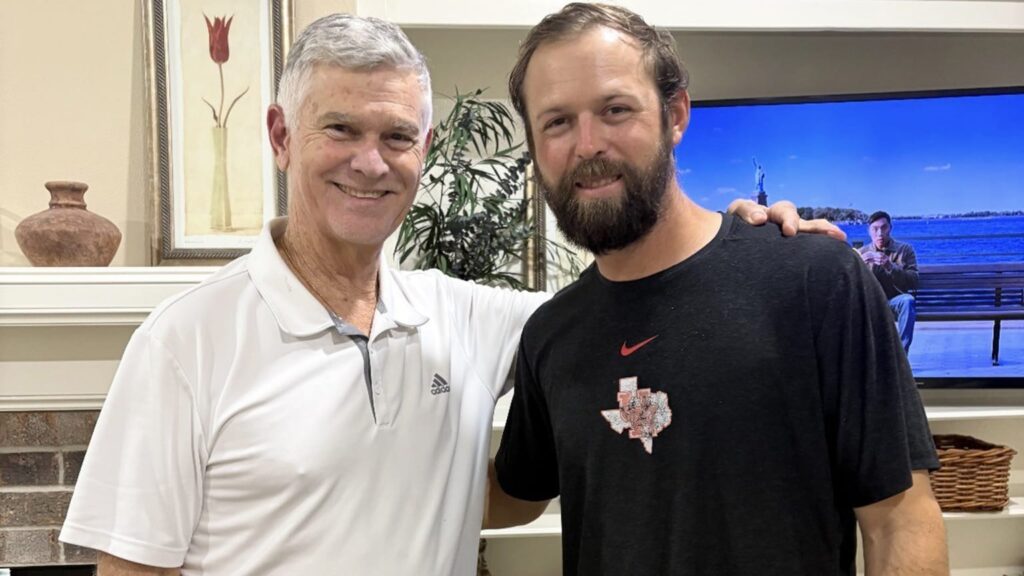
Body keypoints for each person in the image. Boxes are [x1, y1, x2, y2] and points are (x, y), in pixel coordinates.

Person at [58, 13, 837, 576]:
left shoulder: (473, 317)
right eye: (340, 130)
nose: (370, 163)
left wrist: (736, 238)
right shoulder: (183, 342)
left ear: (424, 151)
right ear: (280, 135)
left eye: (396, 136)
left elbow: (637, 301)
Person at [490, 4, 948, 576]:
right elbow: (516, 492)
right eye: (556, 121)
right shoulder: (551, 334)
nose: (587, 145)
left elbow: (900, 519)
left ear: (675, 113)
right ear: (535, 145)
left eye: (615, 109)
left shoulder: (814, 278)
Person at [859, 210, 919, 352]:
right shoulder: (861, 253)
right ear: (869, 231)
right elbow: (848, 285)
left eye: (884, 228)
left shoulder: (904, 250)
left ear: (890, 228)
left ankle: (901, 356)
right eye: (875, 229)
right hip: (870, 303)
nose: (880, 233)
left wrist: (890, 266)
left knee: (907, 301)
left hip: (895, 301)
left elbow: (914, 281)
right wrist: (859, 265)